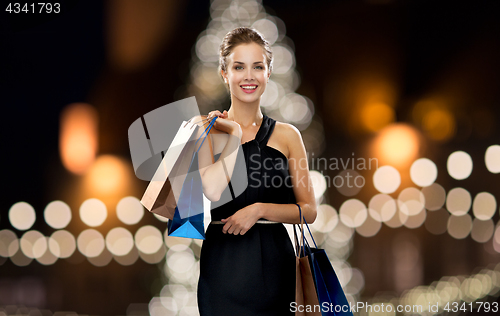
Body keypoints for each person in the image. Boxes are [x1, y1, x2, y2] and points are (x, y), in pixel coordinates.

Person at [195, 27, 317, 316]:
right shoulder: (207, 131)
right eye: (239, 67)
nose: (248, 76)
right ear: (225, 73)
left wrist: (260, 209)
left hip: (276, 269)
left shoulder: (288, 136)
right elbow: (211, 190)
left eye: (257, 67)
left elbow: (309, 210)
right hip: (222, 270)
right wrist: (233, 135)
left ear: (268, 73)